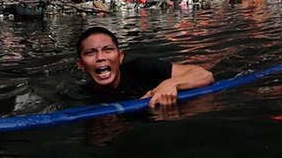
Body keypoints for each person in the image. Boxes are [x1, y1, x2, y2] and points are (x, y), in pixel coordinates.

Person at [75, 26, 214, 108]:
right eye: (90, 53)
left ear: (120, 57)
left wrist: (171, 83)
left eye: (108, 50)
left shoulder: (142, 69)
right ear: (80, 64)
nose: (100, 57)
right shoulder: (80, 97)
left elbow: (205, 75)